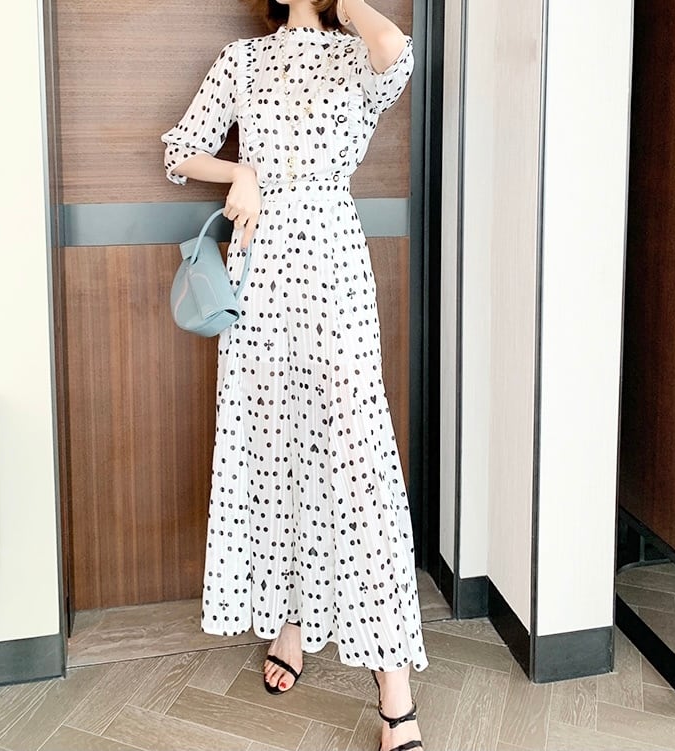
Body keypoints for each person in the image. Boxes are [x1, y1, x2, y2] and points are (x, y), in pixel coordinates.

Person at [161, 1, 426, 748]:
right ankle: (291, 620)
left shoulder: (357, 52)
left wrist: (345, 3)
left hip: (334, 267)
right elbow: (180, 149)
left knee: (356, 460)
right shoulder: (243, 60)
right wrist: (239, 171)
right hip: (259, 272)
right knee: (274, 449)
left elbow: (393, 46)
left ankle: (394, 686)